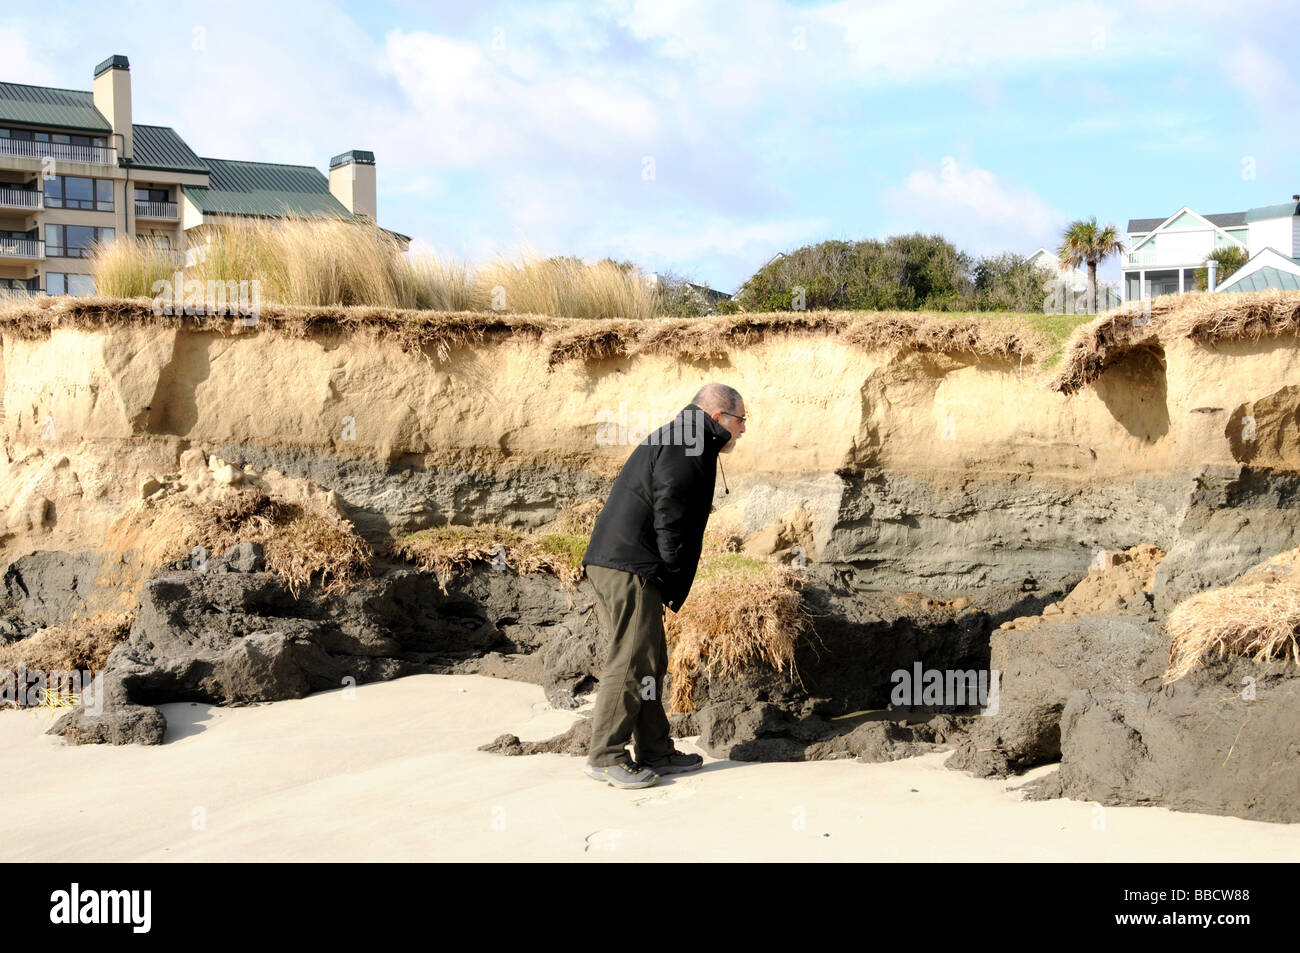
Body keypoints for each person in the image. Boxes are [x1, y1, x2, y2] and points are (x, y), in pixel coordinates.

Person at [579, 382, 747, 789]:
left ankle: (656, 750)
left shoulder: (688, 436)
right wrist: (670, 568)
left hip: (624, 561)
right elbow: (670, 505)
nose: (744, 430)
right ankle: (605, 756)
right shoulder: (689, 440)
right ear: (718, 417)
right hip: (631, 564)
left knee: (650, 660)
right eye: (741, 420)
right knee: (633, 660)